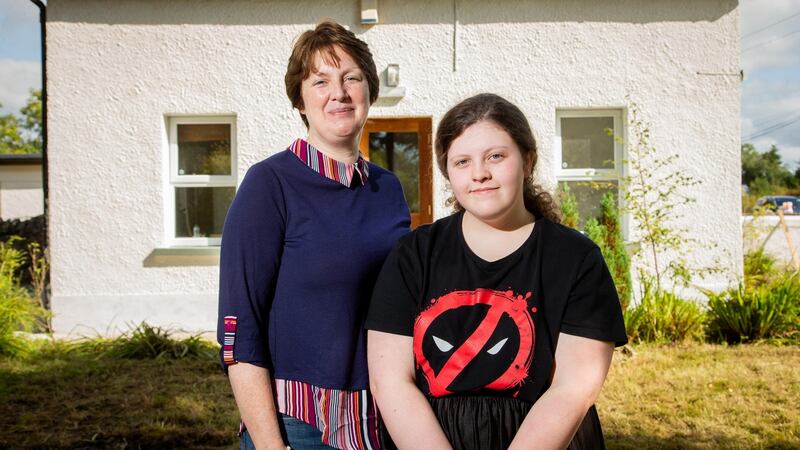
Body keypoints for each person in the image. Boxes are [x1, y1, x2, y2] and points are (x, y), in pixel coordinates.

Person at [366, 93, 627, 450]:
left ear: (528, 160)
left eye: (496, 156)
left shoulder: (576, 259)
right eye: (462, 162)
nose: (479, 174)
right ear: (448, 173)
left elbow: (572, 389)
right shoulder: (413, 254)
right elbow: (391, 382)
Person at [217, 21, 410, 450]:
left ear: (369, 91)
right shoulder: (269, 185)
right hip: (300, 426)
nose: (338, 93)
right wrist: (272, 446)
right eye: (320, 81)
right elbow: (239, 335)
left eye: (351, 78)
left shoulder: (388, 189)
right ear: (300, 100)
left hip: (383, 419)